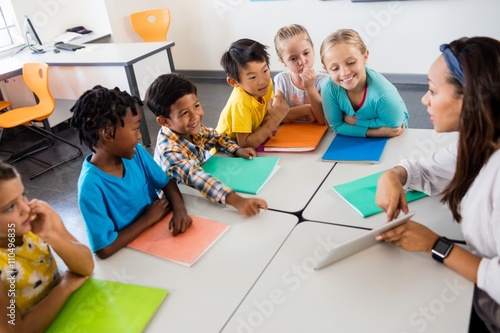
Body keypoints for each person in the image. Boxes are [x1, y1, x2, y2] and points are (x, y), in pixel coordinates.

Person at [375, 37, 500, 332]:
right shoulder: (477, 140)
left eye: (432, 90)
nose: (423, 100)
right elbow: (425, 169)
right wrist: (392, 176)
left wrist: (435, 245)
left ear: (468, 98)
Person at [70, 85, 192, 259]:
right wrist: (148, 219)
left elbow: (166, 182)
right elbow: (104, 249)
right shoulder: (90, 186)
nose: (140, 136)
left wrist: (180, 210)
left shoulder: (137, 153)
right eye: (135, 129)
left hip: (160, 237)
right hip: (130, 255)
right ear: (108, 133)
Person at [145, 73, 268, 217]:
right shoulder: (168, 151)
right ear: (165, 122)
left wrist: (237, 150)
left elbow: (216, 138)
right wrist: (237, 201)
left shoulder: (189, 128)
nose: (195, 116)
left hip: (197, 192)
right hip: (177, 205)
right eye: (184, 113)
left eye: (196, 106)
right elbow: (195, 177)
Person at [0, 162, 94, 332]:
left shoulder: (38, 216)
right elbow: (15, 329)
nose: (24, 208)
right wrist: (64, 288)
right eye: (10, 207)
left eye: (23, 195)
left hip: (68, 311)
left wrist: (51, 235)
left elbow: (87, 266)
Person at [320, 29, 408, 137]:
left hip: (394, 137)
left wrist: (355, 122)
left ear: (365, 56)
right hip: (370, 134)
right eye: (334, 68)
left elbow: (394, 127)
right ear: (326, 69)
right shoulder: (329, 88)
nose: (344, 72)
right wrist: (374, 132)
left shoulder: (383, 95)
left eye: (351, 62)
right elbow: (336, 126)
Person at [215, 38, 289, 148]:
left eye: (265, 71)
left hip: (251, 137)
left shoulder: (267, 84)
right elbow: (245, 144)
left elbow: (268, 115)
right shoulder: (240, 103)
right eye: (252, 77)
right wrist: (276, 119)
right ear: (234, 82)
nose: (262, 81)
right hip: (224, 150)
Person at [273, 24, 328, 125]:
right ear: (282, 61)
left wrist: (310, 87)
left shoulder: (324, 81)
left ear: (313, 48)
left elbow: (322, 119)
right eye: (293, 58)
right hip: (290, 135)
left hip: (318, 135)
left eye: (306, 53)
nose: (302, 61)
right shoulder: (282, 80)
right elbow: (276, 118)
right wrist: (306, 109)